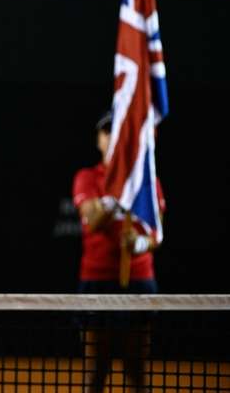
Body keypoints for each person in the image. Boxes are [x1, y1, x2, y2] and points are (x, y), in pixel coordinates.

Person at [72, 111, 166, 393]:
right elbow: (93, 220)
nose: (113, 137)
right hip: (97, 282)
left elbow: (155, 235)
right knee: (96, 373)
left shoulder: (148, 182)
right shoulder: (87, 178)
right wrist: (116, 197)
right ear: (99, 140)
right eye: (107, 131)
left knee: (137, 373)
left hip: (138, 282)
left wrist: (139, 244)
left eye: (119, 131)